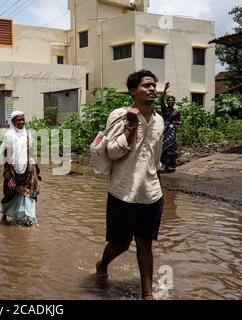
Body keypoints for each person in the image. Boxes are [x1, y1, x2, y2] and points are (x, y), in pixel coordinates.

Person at [95, 70, 165, 300]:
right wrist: (130, 128)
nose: (152, 89)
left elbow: (156, 159)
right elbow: (111, 153)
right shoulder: (119, 115)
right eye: (146, 85)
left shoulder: (159, 120)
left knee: (145, 245)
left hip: (151, 194)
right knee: (120, 244)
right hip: (122, 192)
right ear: (133, 91)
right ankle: (102, 265)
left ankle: (148, 295)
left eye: (154, 85)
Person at [0, 111, 41, 226]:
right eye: (19, 120)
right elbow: (7, 157)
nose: (22, 122)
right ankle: (5, 213)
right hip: (13, 170)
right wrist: (10, 176)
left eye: (23, 119)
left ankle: (31, 218)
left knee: (31, 193)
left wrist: (36, 168)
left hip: (28, 169)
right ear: (13, 122)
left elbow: (32, 152)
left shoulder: (28, 134)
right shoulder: (9, 135)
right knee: (11, 193)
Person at [160, 82, 181, 173]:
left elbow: (180, 121)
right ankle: (164, 165)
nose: (170, 101)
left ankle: (169, 165)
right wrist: (165, 89)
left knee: (171, 146)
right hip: (164, 130)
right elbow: (161, 100)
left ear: (174, 102)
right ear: (167, 102)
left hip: (172, 131)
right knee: (163, 146)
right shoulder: (164, 109)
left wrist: (176, 123)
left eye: (172, 100)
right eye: (169, 100)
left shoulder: (176, 111)